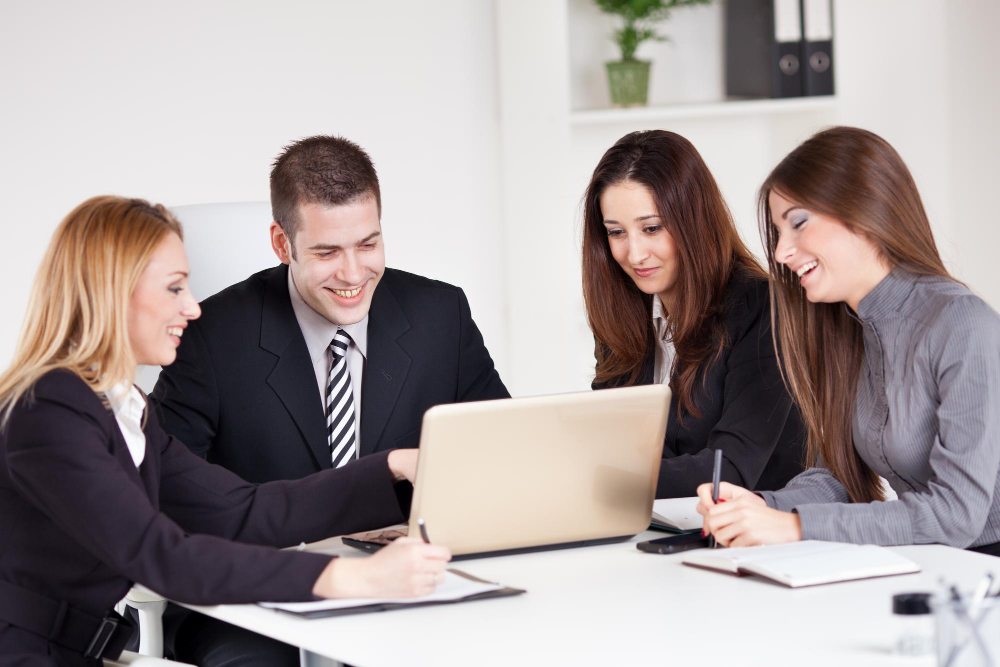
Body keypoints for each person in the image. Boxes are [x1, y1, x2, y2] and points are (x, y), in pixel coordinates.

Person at [0, 196, 452, 666]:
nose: (193, 309)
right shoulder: (47, 408)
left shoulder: (123, 409)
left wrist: (391, 467)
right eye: (174, 288)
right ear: (113, 292)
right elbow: (162, 556)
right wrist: (350, 578)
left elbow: (240, 511)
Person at [150, 135, 509, 664]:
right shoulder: (209, 336)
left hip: (409, 581)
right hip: (258, 597)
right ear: (281, 243)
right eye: (326, 252)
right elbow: (171, 502)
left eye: (368, 244)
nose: (353, 273)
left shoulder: (441, 315)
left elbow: (499, 456)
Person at [697, 126, 1000, 557]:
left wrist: (794, 526)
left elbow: (956, 515)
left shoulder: (962, 325)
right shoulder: (846, 327)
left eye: (798, 223)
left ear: (866, 212)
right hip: (934, 564)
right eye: (779, 232)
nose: (782, 252)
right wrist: (760, 507)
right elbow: (837, 476)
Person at [583, 130, 805, 499]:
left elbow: (730, 470)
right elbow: (615, 445)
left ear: (693, 220)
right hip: (659, 528)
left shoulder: (763, 307)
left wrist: (599, 478)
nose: (634, 254)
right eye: (616, 232)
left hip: (758, 536)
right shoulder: (622, 313)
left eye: (651, 228)